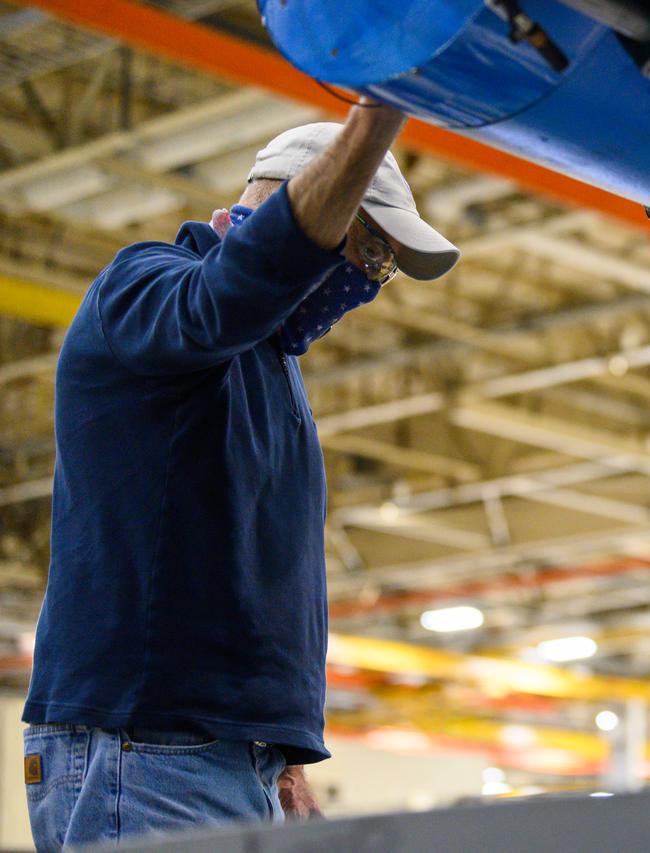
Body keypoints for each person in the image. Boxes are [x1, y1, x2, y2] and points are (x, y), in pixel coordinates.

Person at [20, 99, 459, 851]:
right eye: (373, 253)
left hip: (222, 758)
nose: (372, 281)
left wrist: (278, 753)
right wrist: (389, 101)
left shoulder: (273, 369)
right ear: (304, 217)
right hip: (148, 752)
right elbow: (233, 291)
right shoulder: (145, 290)